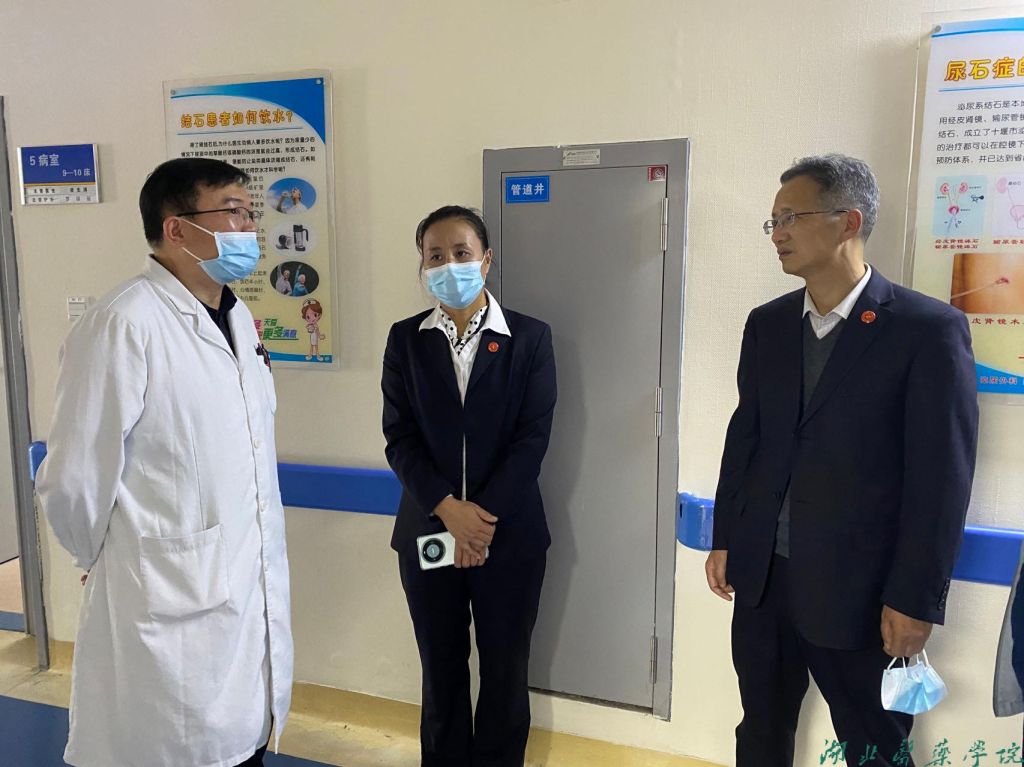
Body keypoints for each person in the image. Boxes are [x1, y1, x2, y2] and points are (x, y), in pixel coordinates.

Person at [705, 154, 979, 767]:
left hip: (864, 593)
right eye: (773, 221)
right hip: (764, 580)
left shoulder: (926, 330)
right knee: (760, 731)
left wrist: (916, 599)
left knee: (873, 745)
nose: (777, 233)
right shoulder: (769, 325)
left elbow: (942, 480)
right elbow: (745, 439)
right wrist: (726, 537)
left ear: (848, 221)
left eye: (791, 217)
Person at [36, 157, 293, 767]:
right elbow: (73, 477)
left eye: (249, 212)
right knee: (173, 746)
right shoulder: (123, 323)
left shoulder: (237, 318)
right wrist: (95, 553)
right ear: (176, 228)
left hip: (239, 588)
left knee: (241, 745)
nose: (248, 227)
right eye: (232, 211)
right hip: (164, 598)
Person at [381, 205, 556, 767]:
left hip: (508, 536)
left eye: (461, 252)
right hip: (429, 533)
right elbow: (399, 437)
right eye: (435, 256)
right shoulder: (406, 340)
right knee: (441, 669)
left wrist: (478, 521)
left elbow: (532, 439)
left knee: (505, 671)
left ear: (486, 260)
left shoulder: (529, 338)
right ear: (423, 266)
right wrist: (447, 509)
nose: (448, 264)